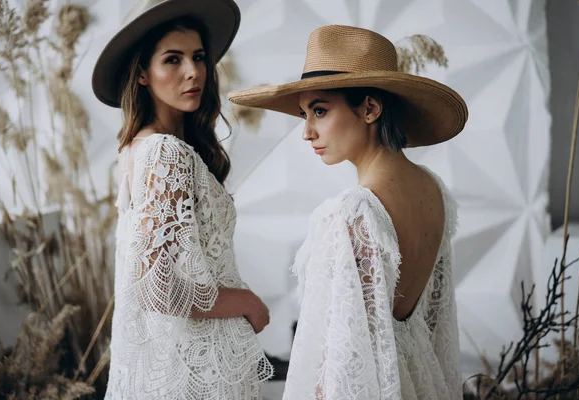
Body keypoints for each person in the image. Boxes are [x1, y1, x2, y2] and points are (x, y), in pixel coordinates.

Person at [228, 24, 468, 399]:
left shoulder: (350, 214)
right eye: (305, 114)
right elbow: (436, 325)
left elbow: (335, 355)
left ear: (370, 108)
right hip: (423, 384)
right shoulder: (433, 189)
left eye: (319, 111)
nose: (306, 131)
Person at [91, 0, 273, 398]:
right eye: (172, 59)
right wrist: (247, 301)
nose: (193, 72)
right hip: (193, 367)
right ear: (142, 74)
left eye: (199, 57)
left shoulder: (136, 148)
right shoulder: (164, 152)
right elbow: (159, 289)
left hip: (175, 361)